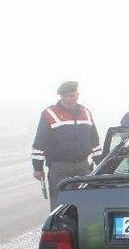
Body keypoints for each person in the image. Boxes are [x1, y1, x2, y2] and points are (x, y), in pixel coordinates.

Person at [31, 81, 101, 209]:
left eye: (71, 95)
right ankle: (59, 227)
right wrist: (37, 167)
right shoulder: (49, 113)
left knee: (85, 201)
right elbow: (40, 142)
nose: (68, 99)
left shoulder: (86, 113)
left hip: (83, 166)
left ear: (77, 95)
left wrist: (101, 162)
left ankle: (81, 227)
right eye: (64, 96)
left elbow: (94, 141)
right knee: (60, 203)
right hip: (59, 168)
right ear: (60, 97)